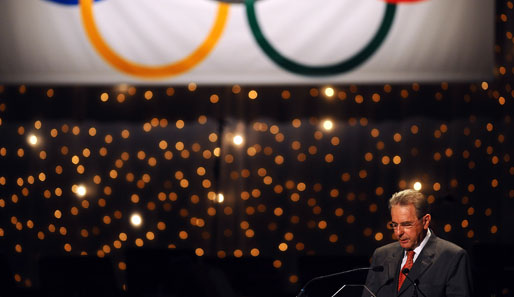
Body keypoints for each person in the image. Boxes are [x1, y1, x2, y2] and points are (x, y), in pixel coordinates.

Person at [362, 189, 473, 297]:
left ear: (425, 221)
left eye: (406, 224)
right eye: (394, 225)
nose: (398, 232)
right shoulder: (381, 255)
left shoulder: (453, 257)